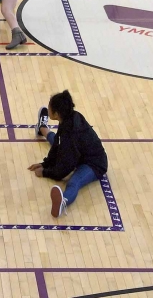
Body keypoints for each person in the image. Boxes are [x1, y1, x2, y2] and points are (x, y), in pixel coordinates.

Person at [29, 90, 108, 218]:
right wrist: (45, 163)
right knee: (57, 141)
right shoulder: (70, 117)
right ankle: (42, 128)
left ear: (56, 114)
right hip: (79, 153)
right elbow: (57, 144)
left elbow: (63, 170)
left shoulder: (71, 134)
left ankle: (63, 202)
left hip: (94, 164)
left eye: (49, 107)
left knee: (74, 182)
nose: (48, 108)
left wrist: (45, 172)